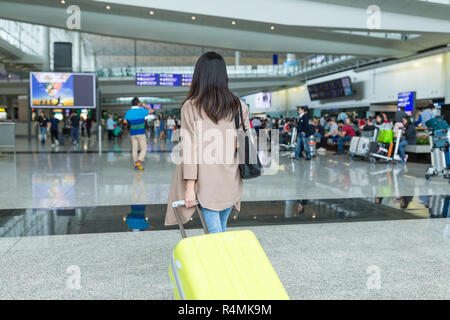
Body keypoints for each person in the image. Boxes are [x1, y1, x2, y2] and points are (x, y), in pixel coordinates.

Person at [165, 51, 249, 234]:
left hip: (206, 183)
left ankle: (223, 262)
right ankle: (223, 260)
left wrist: (189, 187)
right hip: (231, 179)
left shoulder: (191, 106)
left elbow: (189, 149)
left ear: (200, 75)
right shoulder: (238, 105)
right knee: (220, 230)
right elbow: (243, 142)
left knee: (215, 236)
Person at [124, 97, 155, 170]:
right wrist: (145, 106)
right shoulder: (141, 110)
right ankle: (139, 161)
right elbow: (152, 111)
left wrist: (130, 123)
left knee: (134, 149)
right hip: (141, 132)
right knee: (143, 148)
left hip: (133, 133)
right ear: (138, 103)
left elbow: (125, 121)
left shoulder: (128, 112)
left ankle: (135, 164)